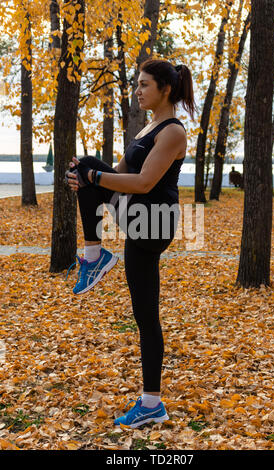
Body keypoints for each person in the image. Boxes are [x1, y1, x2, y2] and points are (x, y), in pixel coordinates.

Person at [65, 58, 196, 428]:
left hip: (154, 222)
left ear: (165, 89)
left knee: (91, 168)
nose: (137, 91)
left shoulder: (172, 132)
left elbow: (141, 183)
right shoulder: (148, 127)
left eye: (144, 85)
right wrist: (85, 178)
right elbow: (119, 173)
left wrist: (93, 176)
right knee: (145, 316)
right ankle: (152, 404)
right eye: (137, 85)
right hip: (138, 218)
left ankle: (94, 257)